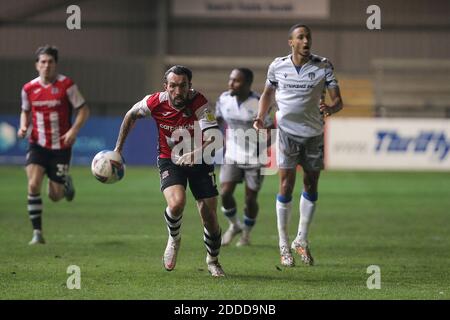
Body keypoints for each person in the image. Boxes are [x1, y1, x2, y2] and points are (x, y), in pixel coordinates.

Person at [114, 65, 225, 277]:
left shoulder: (199, 103)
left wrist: (195, 153)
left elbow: (216, 139)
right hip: (169, 159)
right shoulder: (154, 102)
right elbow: (130, 115)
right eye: (173, 86)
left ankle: (213, 260)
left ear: (189, 87)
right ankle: (174, 238)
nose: (177, 91)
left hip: (200, 161)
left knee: (209, 216)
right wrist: (118, 149)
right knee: (176, 204)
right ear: (165, 86)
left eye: (182, 86)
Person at [254, 24, 344, 267]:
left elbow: (338, 101)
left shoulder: (323, 65)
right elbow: (267, 94)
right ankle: (283, 244)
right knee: (286, 184)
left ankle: (301, 239)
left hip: (314, 134)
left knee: (311, 183)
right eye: (300, 37)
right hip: (286, 133)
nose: (306, 41)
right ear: (290, 42)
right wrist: (261, 117)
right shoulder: (277, 66)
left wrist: (332, 108)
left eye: (308, 37)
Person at [17, 45, 90, 245]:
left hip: (61, 147)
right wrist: (23, 126)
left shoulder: (67, 85)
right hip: (37, 144)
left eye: (50, 62)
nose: (46, 65)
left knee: (55, 196)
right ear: (37, 65)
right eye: (43, 62)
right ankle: (37, 233)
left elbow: (83, 110)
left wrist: (73, 131)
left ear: (55, 64)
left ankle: (64, 182)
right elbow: (25, 110)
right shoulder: (29, 88)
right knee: (33, 184)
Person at [215, 68, 273, 247]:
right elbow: (216, 120)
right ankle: (234, 225)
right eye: (231, 79)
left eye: (236, 81)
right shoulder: (224, 100)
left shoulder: (258, 103)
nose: (231, 83)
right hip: (232, 155)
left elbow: (270, 131)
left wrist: (262, 146)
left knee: (250, 199)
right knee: (224, 193)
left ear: (247, 84)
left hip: (255, 158)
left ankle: (246, 234)